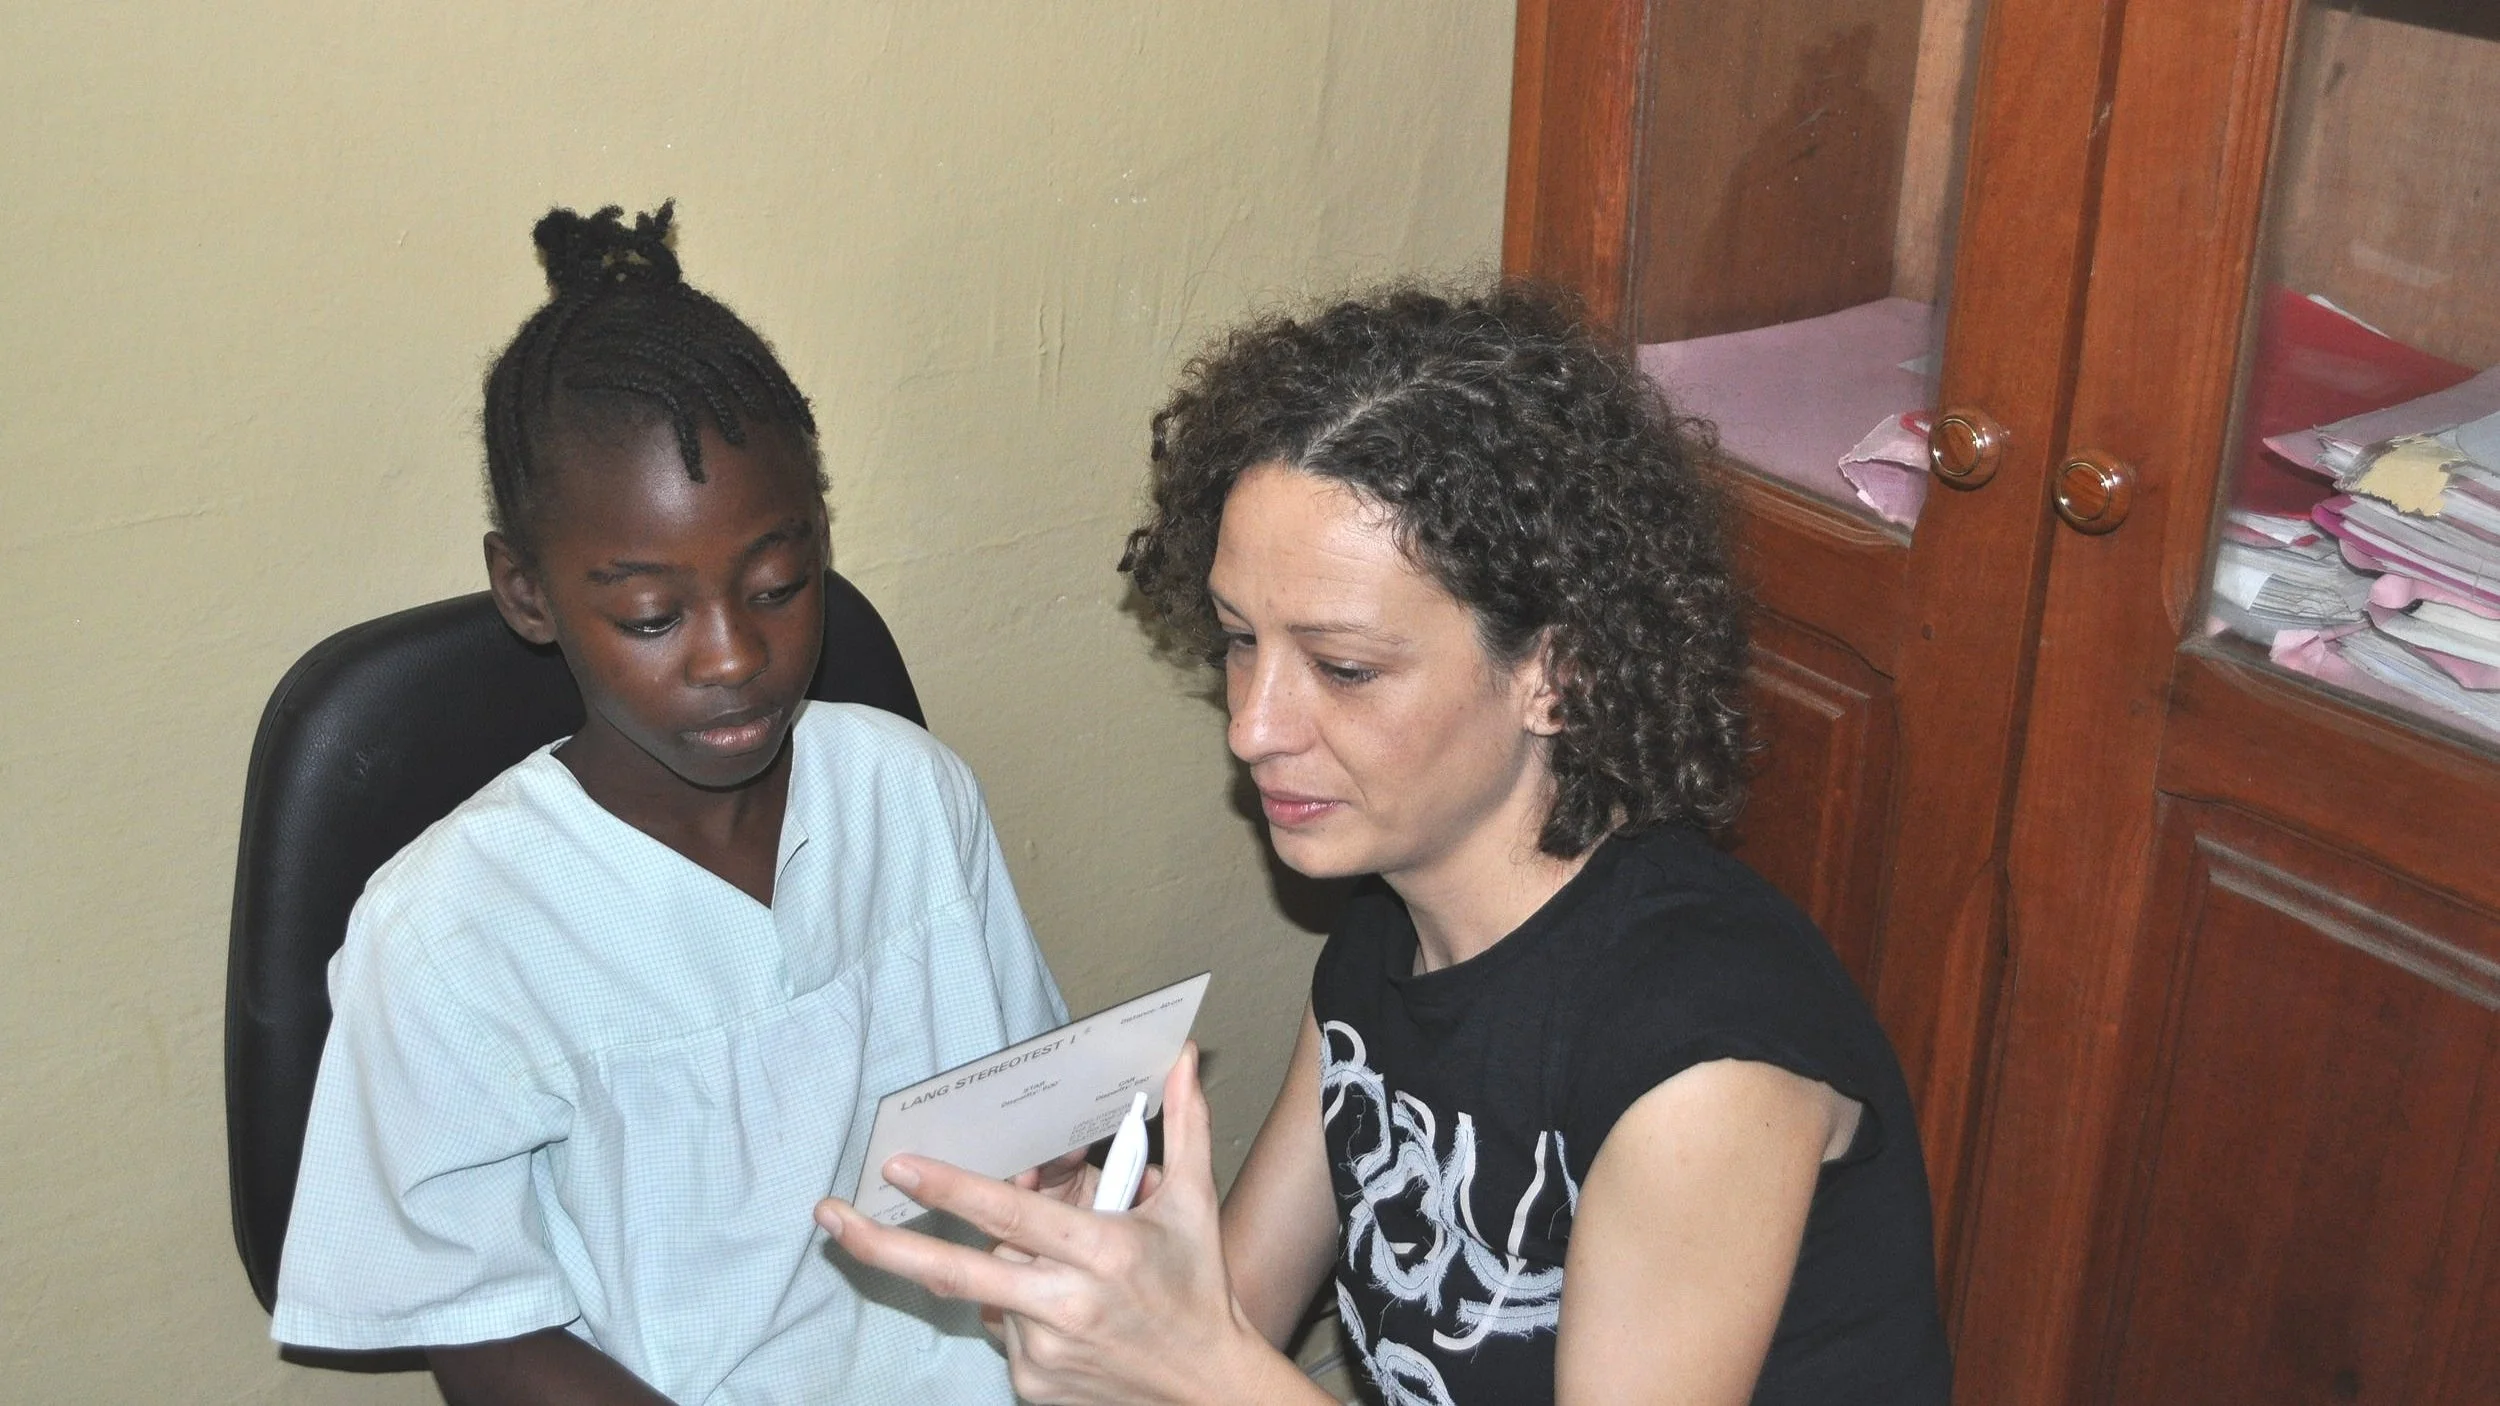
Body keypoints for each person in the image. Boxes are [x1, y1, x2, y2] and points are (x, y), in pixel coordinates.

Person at [815, 283, 1953, 1404]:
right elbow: (1233, 1321)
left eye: (1345, 668)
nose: (1253, 727)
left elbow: (1221, 1372)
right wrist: (1106, 1283)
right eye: (1239, 640)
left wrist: (1200, 1368)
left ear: (1556, 674)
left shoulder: (1700, 1066)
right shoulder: (1388, 931)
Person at [271, 203, 1067, 1404]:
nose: (732, 654)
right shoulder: (448, 931)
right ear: (526, 592)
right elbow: (485, 1335)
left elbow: (1033, 1115)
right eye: (652, 615)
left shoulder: (907, 792)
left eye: (778, 585)